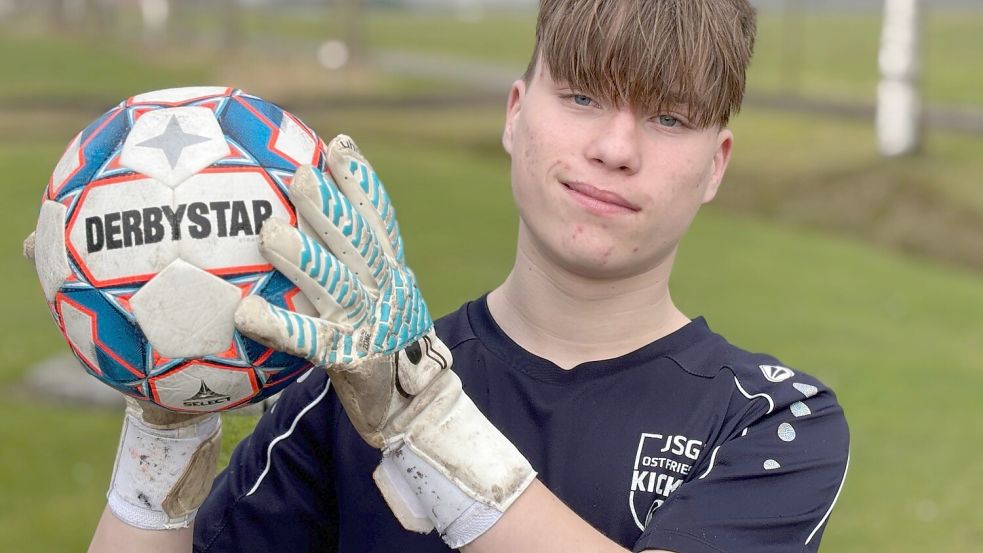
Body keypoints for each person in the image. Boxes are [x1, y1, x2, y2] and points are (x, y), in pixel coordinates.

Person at [81, 0, 850, 551]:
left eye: (669, 117)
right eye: (582, 96)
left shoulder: (774, 419)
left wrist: (425, 425)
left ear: (715, 165)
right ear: (515, 113)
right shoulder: (337, 395)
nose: (616, 147)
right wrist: (164, 424)